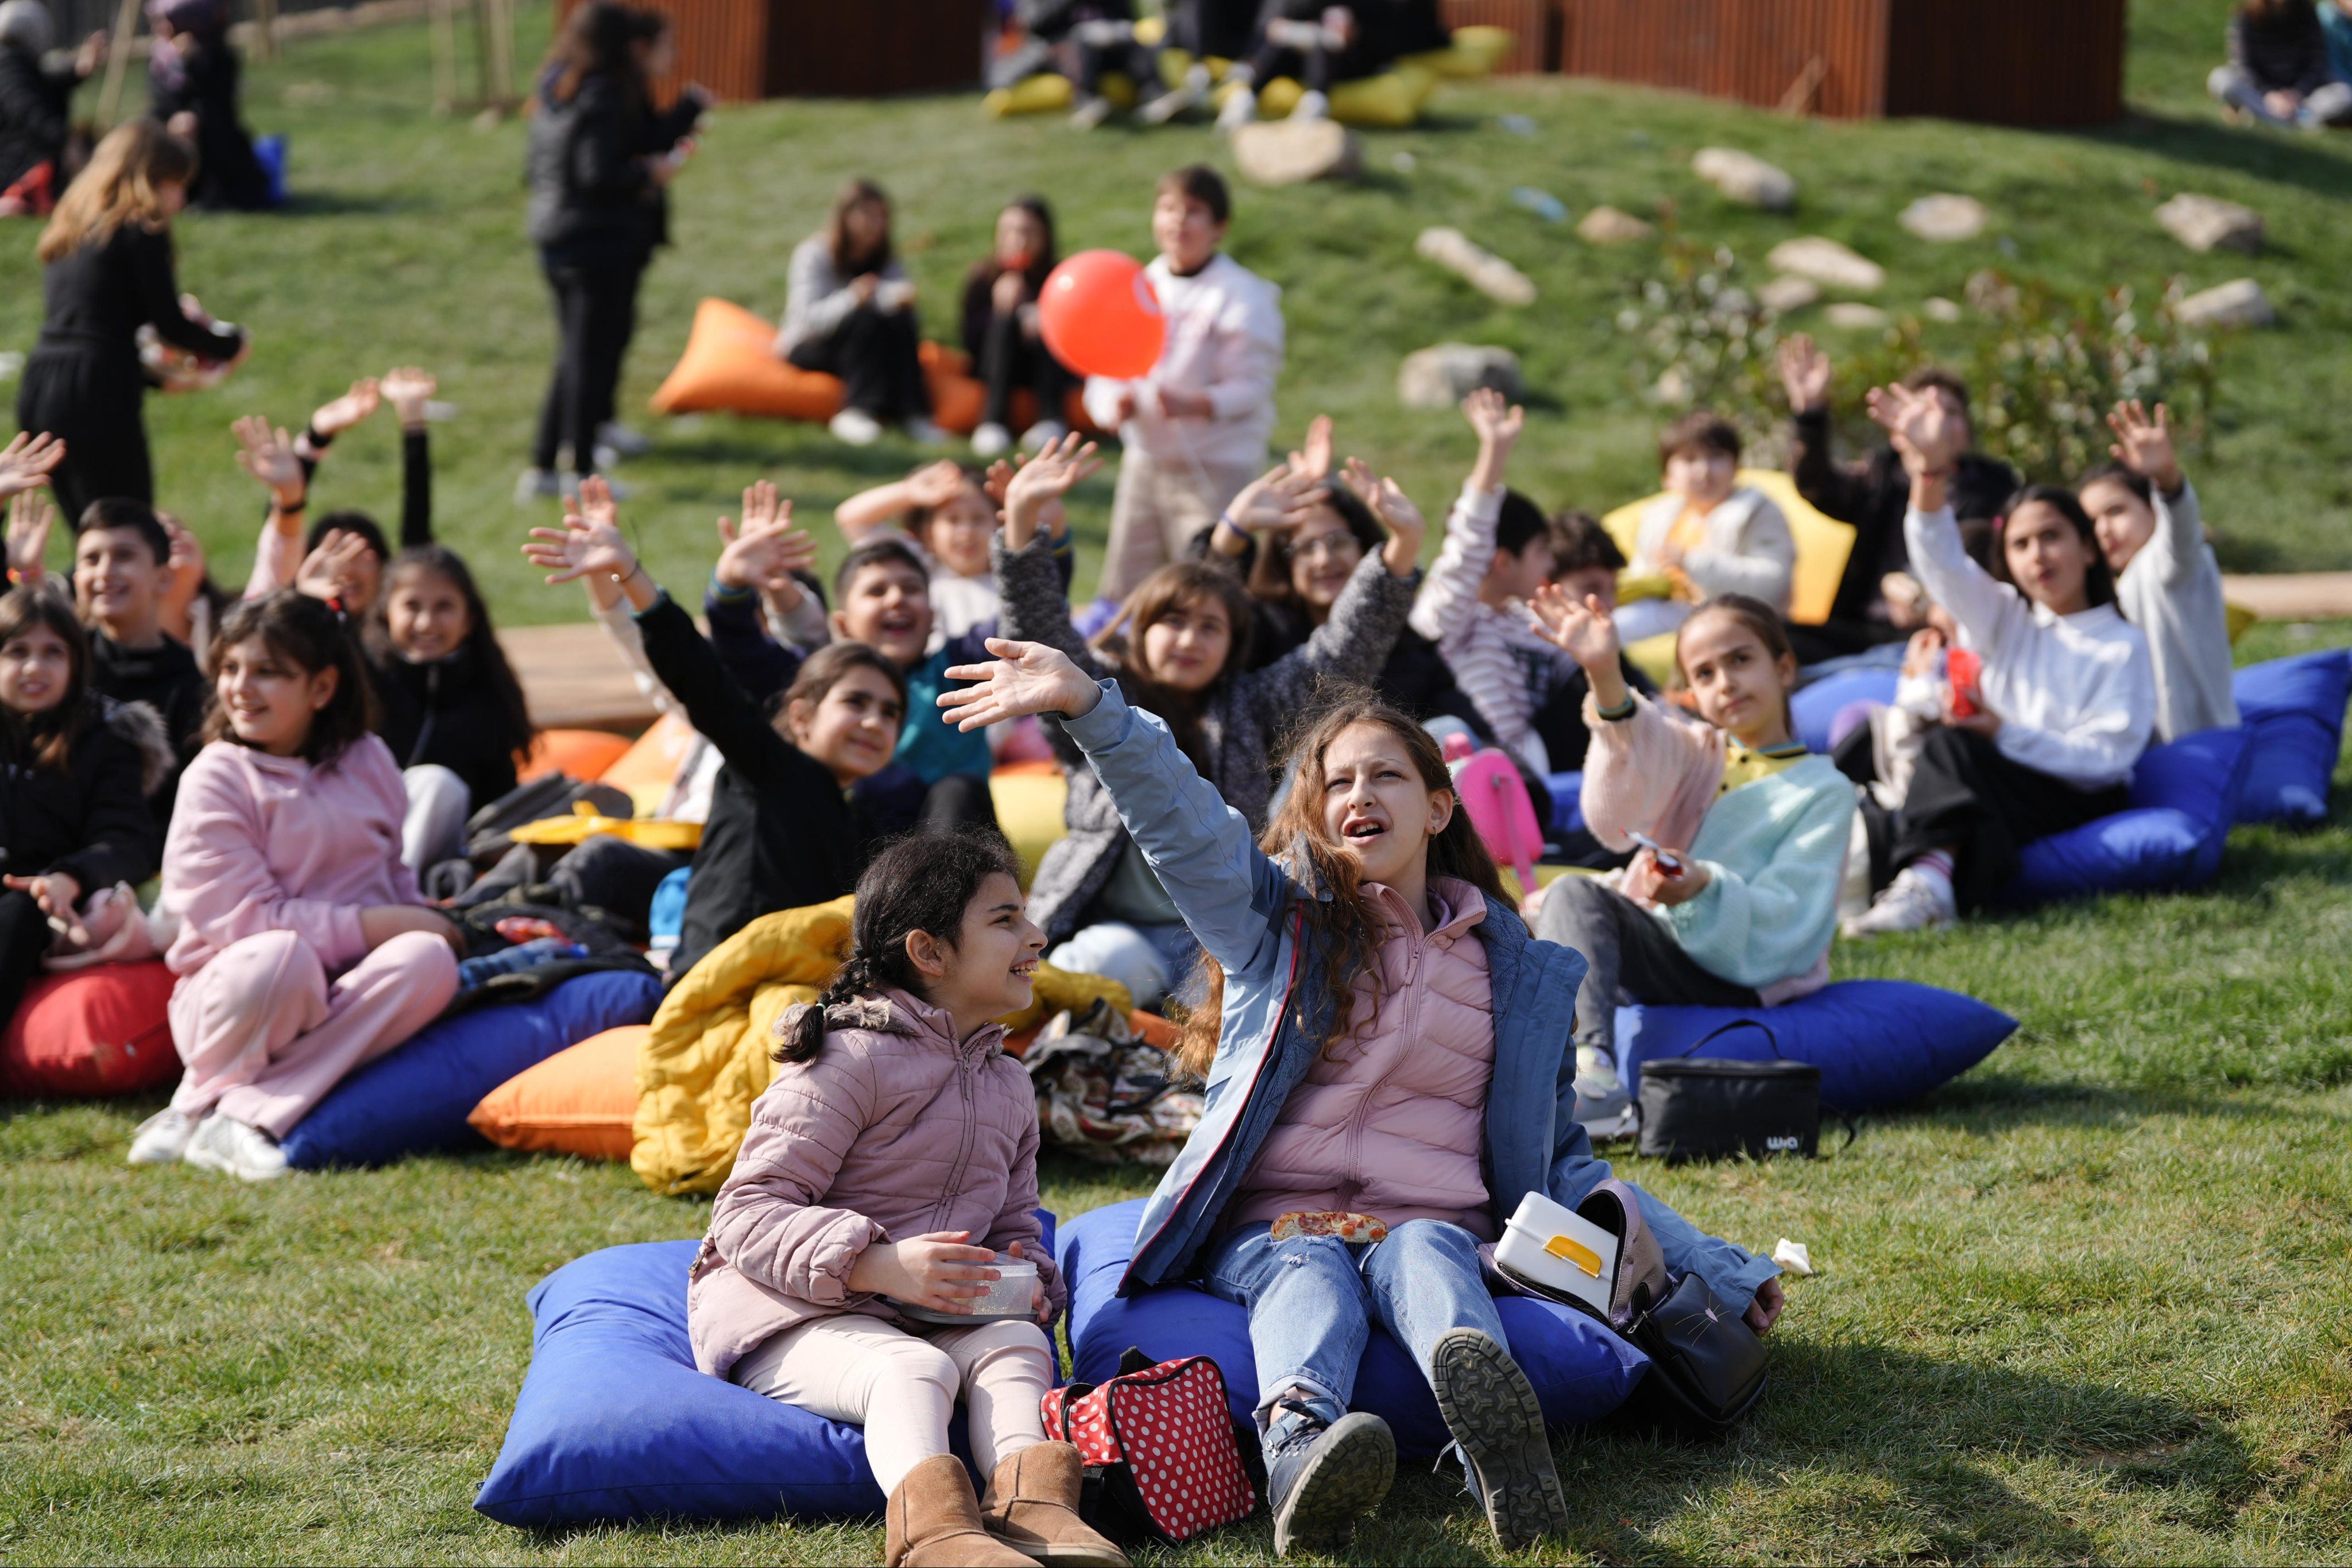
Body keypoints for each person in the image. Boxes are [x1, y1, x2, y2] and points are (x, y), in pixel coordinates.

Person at [937, 644, 1784, 1558]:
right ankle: (1301, 1448)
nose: (1358, 794)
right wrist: (1094, 709)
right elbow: (1183, 827)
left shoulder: (1520, 976)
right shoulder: (1278, 926)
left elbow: (1564, 1155)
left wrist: (1721, 1268)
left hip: (1438, 1223)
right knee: (1308, 1268)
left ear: (1439, 807)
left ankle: (1491, 1431)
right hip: (1277, 1225)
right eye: (1337, 781)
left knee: (1427, 1246)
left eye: (1385, 774)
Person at [686, 830, 1124, 1568]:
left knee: (1016, 1343)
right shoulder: (847, 1059)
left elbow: (1016, 1216)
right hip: (792, 1306)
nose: (1036, 935)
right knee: (913, 1371)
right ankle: (935, 1536)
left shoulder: (1007, 1081)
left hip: (929, 1309)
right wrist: (877, 1265)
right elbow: (744, 1216)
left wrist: (1020, 1271)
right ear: (930, 952)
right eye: (1005, 919)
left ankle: (1035, 1506)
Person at [996, 435, 1419, 1008]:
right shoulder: (1091, 698)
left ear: (1233, 644)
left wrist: (1402, 547)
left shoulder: (1253, 704)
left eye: (1210, 627)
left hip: (1223, 939)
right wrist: (1021, 520)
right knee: (1090, 969)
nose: (1190, 639)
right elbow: (1041, 631)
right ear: (1141, 632)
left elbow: (1343, 649)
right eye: (1173, 621)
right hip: (1116, 931)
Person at [523, 479, 920, 982]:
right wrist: (628, 571)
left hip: (792, 999)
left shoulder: (865, 815)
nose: (873, 721)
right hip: (714, 987)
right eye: (856, 703)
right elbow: (697, 672)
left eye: (890, 713)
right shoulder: (765, 764)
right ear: (799, 716)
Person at [126, 592, 464, 1180]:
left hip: (346, 996)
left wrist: (417, 917)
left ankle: (233, 1113)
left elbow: (394, 878)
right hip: (246, 994)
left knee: (430, 957)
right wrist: (377, 924)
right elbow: (247, 924)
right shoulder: (216, 774)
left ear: (322, 688)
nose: (241, 688)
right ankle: (212, 1100)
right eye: (231, 669)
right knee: (283, 956)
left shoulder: (369, 757)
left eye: (268, 673)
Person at [1526, 590, 1854, 1135]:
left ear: (1785, 667)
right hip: (1658, 947)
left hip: (1737, 969)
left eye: (1740, 660)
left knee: (1575, 896)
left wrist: (1704, 888)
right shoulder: (1696, 751)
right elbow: (1621, 796)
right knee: (1526, 908)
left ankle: (1597, 1077)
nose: (1725, 681)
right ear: (1692, 692)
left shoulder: (1826, 789)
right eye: (1704, 673)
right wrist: (1604, 672)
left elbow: (1794, 915)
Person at [1842, 384, 2154, 936]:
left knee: (1952, 749)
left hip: (2072, 791)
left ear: (2088, 548)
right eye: (2022, 544)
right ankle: (1923, 880)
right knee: (1873, 744)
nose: (2039, 556)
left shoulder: (2120, 644)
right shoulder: (2006, 616)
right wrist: (1930, 473)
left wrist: (2002, 732)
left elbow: (2106, 759)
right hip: (1991, 771)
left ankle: (1928, 885)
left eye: (2052, 537)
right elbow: (1941, 562)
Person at [520, 0, 707, 500]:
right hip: (593, 242)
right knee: (586, 357)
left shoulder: (560, 82)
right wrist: (650, 174)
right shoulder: (602, 90)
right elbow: (597, 173)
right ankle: (578, 473)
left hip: (559, 235)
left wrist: (683, 116)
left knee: (576, 355)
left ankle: (543, 468)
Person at [16, 119, 245, 519]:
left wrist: (155, 378)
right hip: (98, 391)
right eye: (176, 186)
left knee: (94, 529)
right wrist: (232, 344)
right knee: (129, 523)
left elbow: (92, 326)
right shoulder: (141, 228)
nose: (179, 201)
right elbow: (170, 325)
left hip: (42, 384)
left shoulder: (71, 229)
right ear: (152, 180)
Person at [1204, 420, 1483, 736]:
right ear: (1285, 564)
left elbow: (1472, 736)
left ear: (1365, 548)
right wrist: (1233, 528)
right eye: (1306, 547)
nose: (1325, 559)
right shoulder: (1258, 636)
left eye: (1338, 541)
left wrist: (1406, 539)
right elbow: (1199, 608)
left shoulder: (1407, 651)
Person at [1082, 164, 1283, 602]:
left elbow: (1253, 387)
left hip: (1216, 467)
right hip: (1146, 461)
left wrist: (1198, 403)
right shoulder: (1139, 285)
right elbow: (1105, 369)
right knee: (1128, 587)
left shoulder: (1242, 294)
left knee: (1209, 587)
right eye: (1168, 208)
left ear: (1219, 227)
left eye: (1193, 211)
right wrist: (1112, 404)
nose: (1178, 220)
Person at [1778, 338, 2019, 663]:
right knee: (1775, 640)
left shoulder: (1996, 488)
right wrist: (1810, 415)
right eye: (1923, 412)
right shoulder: (1880, 476)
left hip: (1946, 639)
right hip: (1865, 631)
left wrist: (1928, 602)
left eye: (1950, 412)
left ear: (1968, 429)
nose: (1938, 422)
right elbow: (1817, 486)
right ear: (1896, 428)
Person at [0, 586, 167, 1033]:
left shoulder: (105, 740)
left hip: (49, 908)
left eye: (53, 652)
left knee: (18, 912)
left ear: (76, 664)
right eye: (18, 651)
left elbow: (127, 840)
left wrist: (69, 877)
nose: (35, 667)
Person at [1407, 390, 1584, 774]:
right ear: (1502, 561)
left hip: (1542, 766)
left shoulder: (1524, 618)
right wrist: (1494, 452)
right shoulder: (1449, 621)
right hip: (1481, 772)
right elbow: (1467, 547)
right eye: (1542, 550)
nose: (1552, 562)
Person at [361, 544, 539, 878]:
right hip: (360, 836)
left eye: (444, 607)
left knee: (438, 784)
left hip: (447, 853)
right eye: (412, 606)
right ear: (386, 612)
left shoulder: (488, 692)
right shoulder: (363, 681)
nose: (427, 623)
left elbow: (499, 799)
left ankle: (400, 889)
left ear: (469, 618)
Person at [2082, 403, 2238, 745]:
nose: (2104, 530)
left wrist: (2168, 480)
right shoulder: (2111, 589)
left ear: (2152, 507)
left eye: (2116, 511)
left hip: (2202, 751)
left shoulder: (2171, 566)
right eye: (2091, 522)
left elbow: (2181, 533)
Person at [825, 535, 1001, 830]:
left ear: (932, 618)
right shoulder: (830, 686)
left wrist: (1029, 526)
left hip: (951, 845)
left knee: (957, 791)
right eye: (877, 591)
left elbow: (1022, 618)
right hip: (861, 848)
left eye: (911, 588)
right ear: (843, 626)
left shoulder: (958, 670)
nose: (897, 599)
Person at [240, 367, 436, 612]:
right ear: (304, 565)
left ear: (387, 568)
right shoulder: (285, 630)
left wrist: (414, 423)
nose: (346, 567)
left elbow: (417, 552)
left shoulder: (394, 638)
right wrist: (316, 438)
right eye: (331, 551)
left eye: (363, 555)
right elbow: (282, 540)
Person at [776, 177, 943, 448]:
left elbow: (894, 296)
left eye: (881, 217)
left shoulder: (885, 259)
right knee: (864, 319)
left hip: (864, 342)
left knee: (900, 318)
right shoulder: (813, 255)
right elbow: (808, 318)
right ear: (846, 216)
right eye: (867, 215)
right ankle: (858, 410)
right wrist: (853, 298)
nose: (875, 225)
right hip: (810, 343)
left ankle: (914, 414)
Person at [68, 497, 208, 818]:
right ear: (76, 578)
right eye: (91, 559)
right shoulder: (62, 665)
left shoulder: (191, 688)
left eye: (124, 556)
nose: (105, 572)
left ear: (164, 577)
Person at [834, 459, 1062, 646]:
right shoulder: (920, 566)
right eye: (952, 520)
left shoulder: (1016, 575)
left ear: (1001, 524)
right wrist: (908, 492)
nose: (966, 532)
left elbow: (1053, 533)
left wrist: (1028, 509)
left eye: (978, 519)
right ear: (928, 535)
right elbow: (851, 518)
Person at [1614, 411, 1793, 644]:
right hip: (1668, 613)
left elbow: (1772, 584)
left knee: (1617, 630)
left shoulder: (1757, 509)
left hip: (1737, 622)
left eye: (1716, 457)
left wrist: (1692, 562)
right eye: (1689, 459)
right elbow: (1643, 571)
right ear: (1667, 476)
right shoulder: (1660, 514)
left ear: (1737, 466)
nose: (1704, 471)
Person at [1526, 509, 1656, 776]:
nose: (1608, 604)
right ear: (1546, 586)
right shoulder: (1537, 654)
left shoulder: (1604, 646)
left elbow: (1647, 698)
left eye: (1613, 588)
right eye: (1591, 588)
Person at [961, 195, 1073, 458]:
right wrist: (1000, 312)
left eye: (1028, 232)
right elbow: (969, 340)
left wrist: (1044, 314)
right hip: (996, 367)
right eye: (1009, 232)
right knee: (1005, 321)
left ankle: (1051, 419)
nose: (1018, 240)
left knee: (1048, 320)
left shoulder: (1060, 278)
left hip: (1044, 369)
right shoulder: (982, 277)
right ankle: (993, 421)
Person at [145, 0, 269, 210]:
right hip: (168, 119)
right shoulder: (161, 57)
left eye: (169, 21)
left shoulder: (218, 55)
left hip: (212, 130)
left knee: (193, 124)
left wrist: (190, 64)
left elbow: (217, 100)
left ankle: (206, 194)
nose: (162, 28)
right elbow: (160, 98)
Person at [1214, 0, 1404, 129]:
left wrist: (1353, 33)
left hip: (1348, 63)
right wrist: (1301, 32)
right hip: (1296, 59)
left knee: (1322, 44)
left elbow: (1379, 37)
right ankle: (1246, 99)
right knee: (1287, 44)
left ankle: (1315, 105)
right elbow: (1272, 27)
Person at [0, 0, 105, 216]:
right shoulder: (8, 68)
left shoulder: (14, 63)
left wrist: (79, 72)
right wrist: (66, 140)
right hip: (17, 166)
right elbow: (29, 110)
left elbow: (43, 84)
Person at [2209, 0, 2352, 127]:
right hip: (2262, 95)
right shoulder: (2246, 14)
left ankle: (2266, 117)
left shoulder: (2308, 14)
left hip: (2303, 99)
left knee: (2344, 95)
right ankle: (2298, 121)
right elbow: (2243, 65)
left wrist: (2297, 93)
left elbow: (2316, 63)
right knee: (2221, 79)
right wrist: (2269, 94)